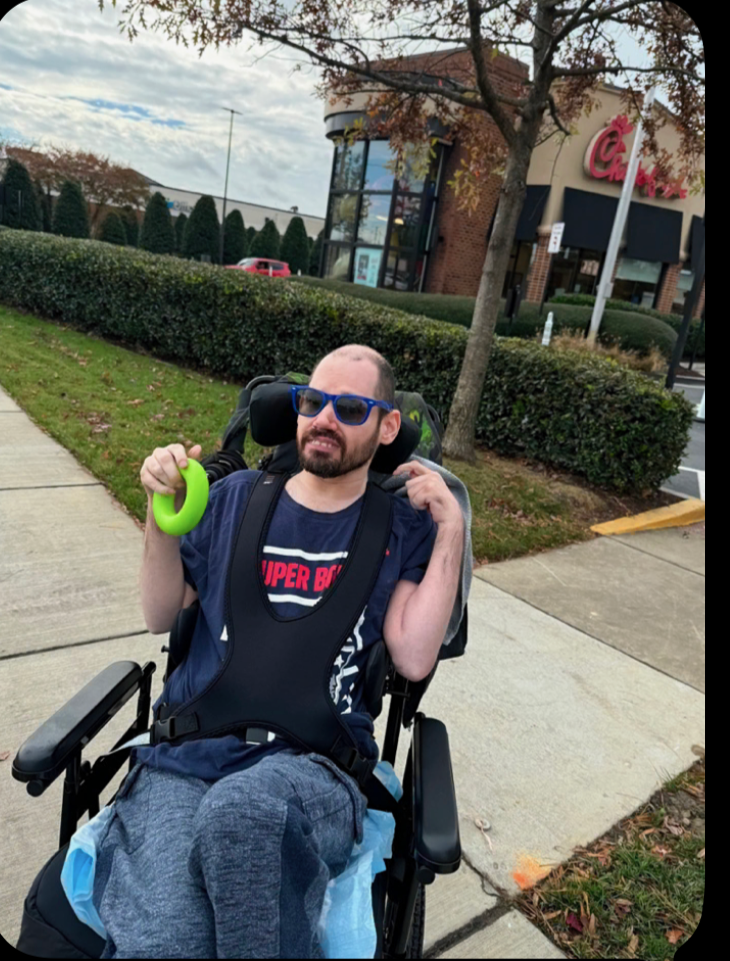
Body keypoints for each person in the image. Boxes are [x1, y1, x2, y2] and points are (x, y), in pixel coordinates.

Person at [92, 344, 464, 958]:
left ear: (387, 425)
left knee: (243, 812)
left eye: (350, 408)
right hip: (185, 761)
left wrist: (451, 531)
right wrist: (161, 516)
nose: (323, 420)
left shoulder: (399, 525)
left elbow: (414, 657)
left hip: (312, 770)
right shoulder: (233, 497)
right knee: (167, 942)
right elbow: (161, 612)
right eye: (313, 402)